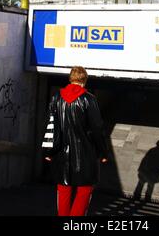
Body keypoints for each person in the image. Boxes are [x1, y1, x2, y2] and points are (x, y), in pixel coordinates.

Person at [42, 66, 108, 217]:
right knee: (84, 192)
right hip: (86, 155)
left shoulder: (56, 97)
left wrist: (48, 151)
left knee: (64, 191)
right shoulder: (89, 99)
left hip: (61, 156)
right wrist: (103, 152)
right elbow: (97, 129)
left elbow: (50, 125)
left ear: (70, 79)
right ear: (84, 81)